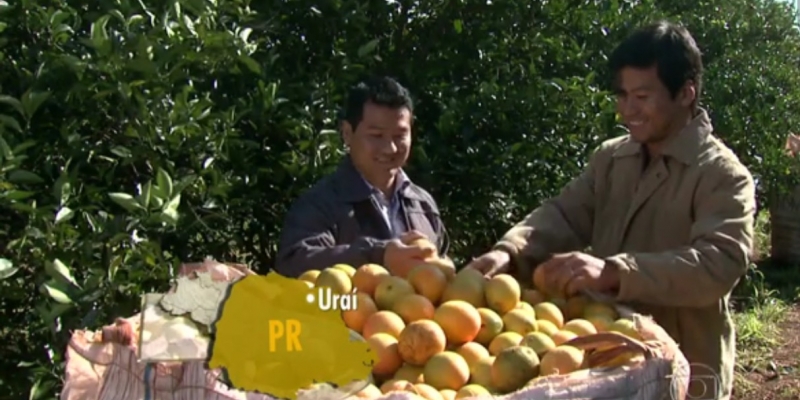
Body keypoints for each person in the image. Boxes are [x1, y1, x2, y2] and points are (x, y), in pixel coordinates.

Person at [465, 21, 755, 400]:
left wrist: (615, 272)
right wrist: (510, 250)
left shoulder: (722, 174)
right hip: (608, 364)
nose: (627, 110)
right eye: (622, 95)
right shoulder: (613, 158)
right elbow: (565, 214)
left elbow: (720, 264)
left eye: (642, 96)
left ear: (686, 93)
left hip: (685, 371)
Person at [276, 76, 449, 278]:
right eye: (376, 136)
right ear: (347, 133)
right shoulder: (321, 204)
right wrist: (377, 255)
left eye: (400, 135)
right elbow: (293, 262)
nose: (390, 148)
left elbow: (442, 271)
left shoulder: (422, 204)